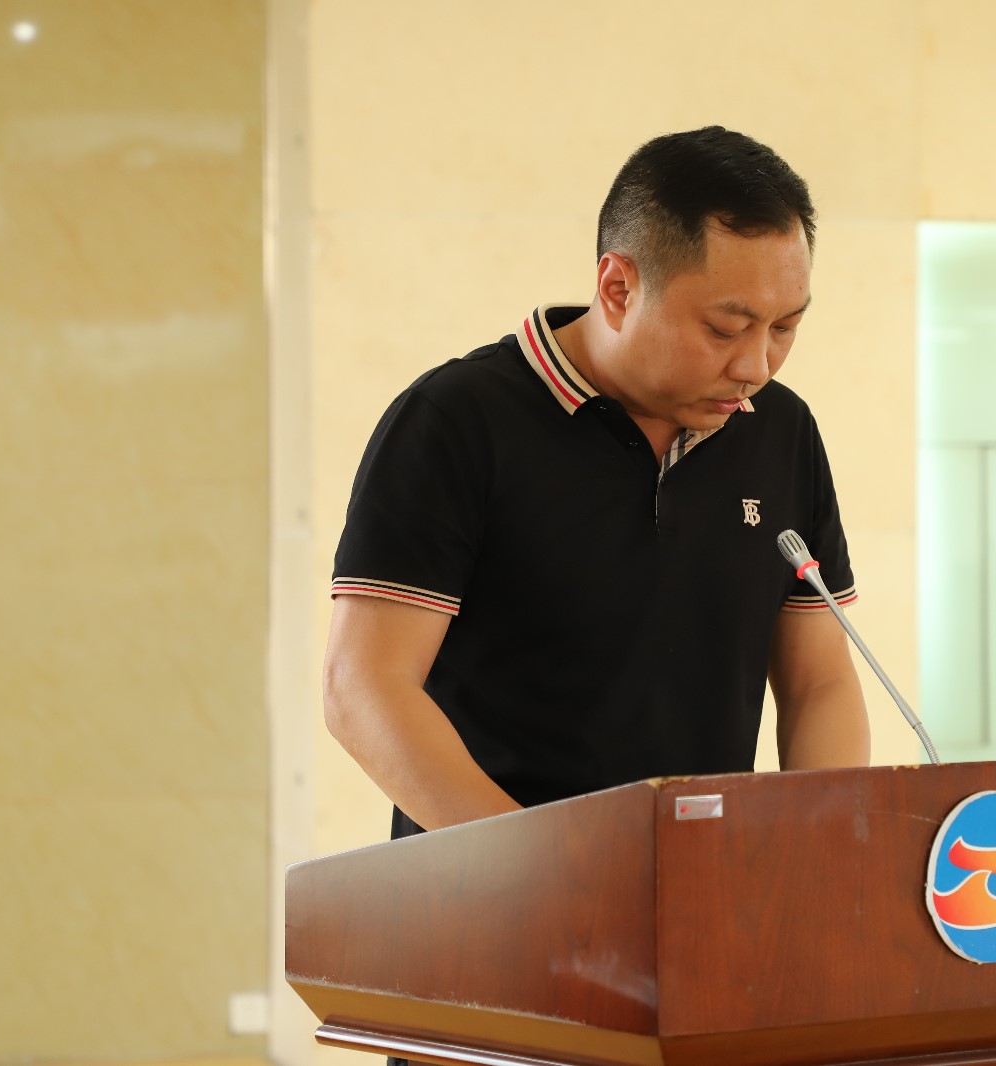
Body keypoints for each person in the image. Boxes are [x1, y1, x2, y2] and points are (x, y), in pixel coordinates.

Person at [324, 126, 870, 845]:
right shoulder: (456, 421)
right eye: (725, 328)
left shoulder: (782, 431)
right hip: (490, 895)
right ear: (618, 288)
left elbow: (819, 682)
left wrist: (821, 848)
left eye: (784, 328)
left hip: (701, 891)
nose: (755, 367)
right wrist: (547, 873)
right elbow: (364, 689)